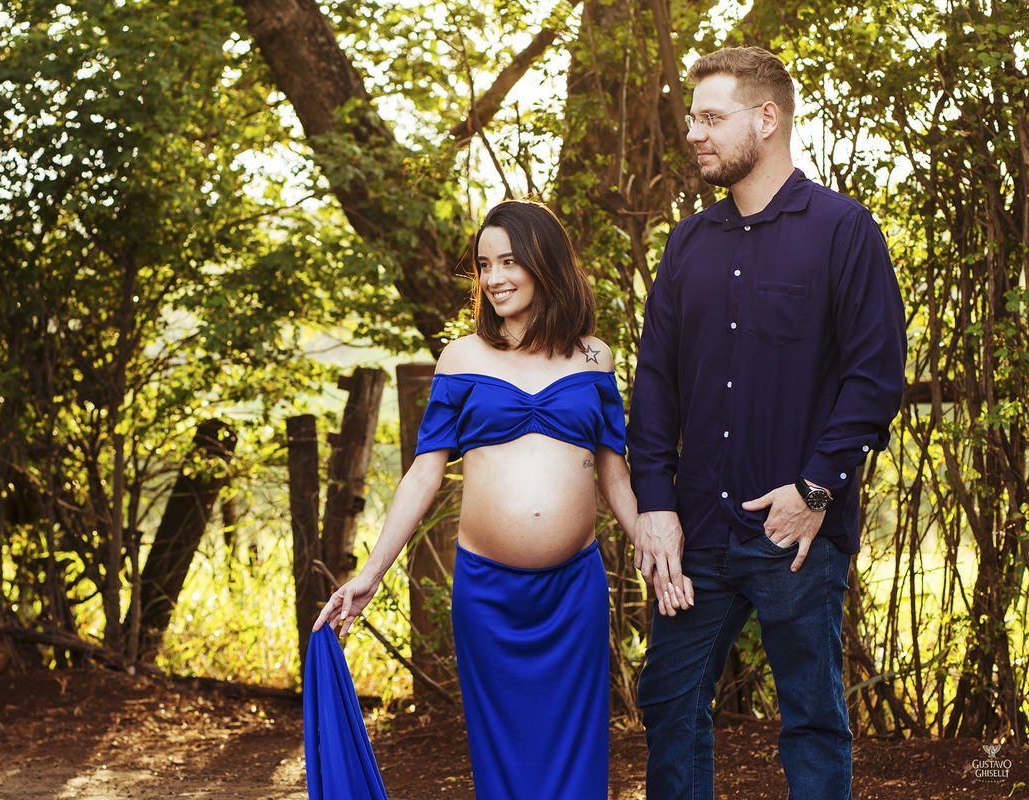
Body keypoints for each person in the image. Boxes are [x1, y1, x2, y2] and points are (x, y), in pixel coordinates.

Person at [314, 199, 668, 799]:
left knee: (578, 756)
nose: (494, 277)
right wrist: (371, 573)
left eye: (509, 261)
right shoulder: (461, 358)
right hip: (487, 595)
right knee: (501, 757)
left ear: (544, 262)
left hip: (574, 593)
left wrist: (653, 549)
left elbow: (615, 476)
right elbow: (423, 476)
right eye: (484, 264)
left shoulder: (594, 356)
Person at [627, 46, 906, 799]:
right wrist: (655, 504)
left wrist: (813, 489)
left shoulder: (843, 231)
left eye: (712, 118)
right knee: (669, 705)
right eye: (692, 119)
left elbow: (875, 379)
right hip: (697, 534)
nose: (695, 133)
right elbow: (654, 385)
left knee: (812, 719)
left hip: (794, 536)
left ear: (768, 117)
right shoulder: (686, 245)